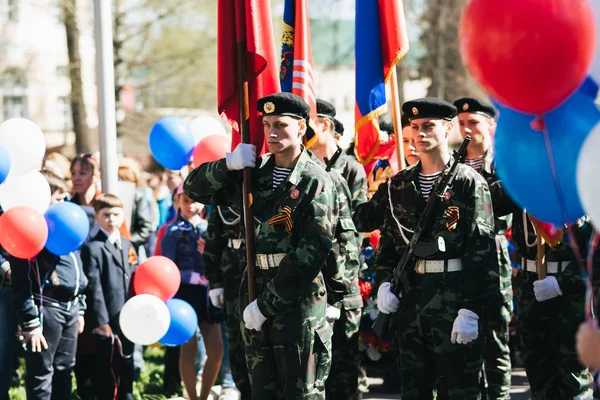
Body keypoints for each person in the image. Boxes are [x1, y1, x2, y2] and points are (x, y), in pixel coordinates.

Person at [184, 92, 337, 399]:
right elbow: (194, 189)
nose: (272, 132)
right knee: (261, 391)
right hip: (252, 286)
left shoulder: (315, 179)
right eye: (267, 124)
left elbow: (312, 251)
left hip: (297, 302)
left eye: (280, 124)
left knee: (301, 392)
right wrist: (227, 164)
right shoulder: (255, 173)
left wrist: (267, 305)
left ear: (302, 128)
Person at [353, 97, 496, 399]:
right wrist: (382, 284)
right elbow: (390, 247)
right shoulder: (399, 185)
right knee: (413, 391)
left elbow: (481, 253)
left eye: (428, 126)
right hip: (412, 302)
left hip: (454, 299)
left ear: (447, 130)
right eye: (414, 127)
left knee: (458, 391)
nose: (419, 133)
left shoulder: (469, 183)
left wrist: (470, 310)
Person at [453, 97, 513, 399]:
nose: (466, 129)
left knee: (494, 339)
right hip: (456, 257)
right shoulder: (450, 165)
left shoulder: (505, 163)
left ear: (490, 125)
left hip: (492, 255)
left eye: (473, 122)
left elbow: (503, 203)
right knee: (461, 344)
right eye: (461, 123)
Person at [505, 211, 594, 398]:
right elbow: (496, 202)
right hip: (530, 290)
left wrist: (562, 283)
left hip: (570, 298)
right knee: (540, 382)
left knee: (574, 382)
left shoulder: (587, 191)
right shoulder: (525, 187)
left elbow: (596, 258)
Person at [312, 98, 364, 399]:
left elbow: (356, 227)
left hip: (343, 277)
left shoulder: (350, 169)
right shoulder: (301, 167)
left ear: (326, 126)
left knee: (343, 366)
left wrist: (341, 285)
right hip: (313, 282)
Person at [157, 182, 224, 400]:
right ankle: (193, 397)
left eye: (194, 200)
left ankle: (203, 396)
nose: (190, 205)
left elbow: (220, 261)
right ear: (177, 203)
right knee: (189, 349)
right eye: (185, 200)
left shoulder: (209, 228)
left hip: (207, 296)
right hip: (183, 295)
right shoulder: (171, 231)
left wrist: (210, 256)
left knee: (216, 351)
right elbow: (167, 267)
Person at [80, 194, 138, 400]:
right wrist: (102, 322)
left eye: (116, 214)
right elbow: (94, 288)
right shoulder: (92, 248)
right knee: (107, 368)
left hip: (128, 316)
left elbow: (134, 278)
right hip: (107, 319)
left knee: (127, 363)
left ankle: (127, 395)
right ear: (97, 216)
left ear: (123, 216)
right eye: (106, 215)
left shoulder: (128, 245)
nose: (112, 219)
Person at [204, 204, 251, 399]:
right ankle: (238, 387)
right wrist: (215, 282)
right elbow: (213, 241)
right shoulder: (225, 194)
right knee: (234, 335)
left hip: (262, 268)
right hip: (232, 270)